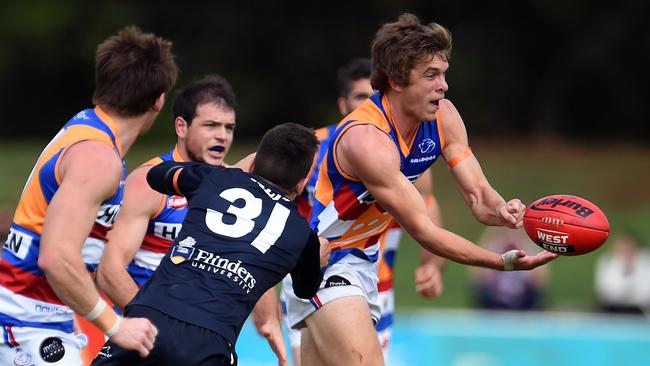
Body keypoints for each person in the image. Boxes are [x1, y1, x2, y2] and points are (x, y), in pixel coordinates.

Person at [285, 13, 557, 366]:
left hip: (362, 263)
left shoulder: (442, 116)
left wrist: (505, 211)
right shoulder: (366, 140)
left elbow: (479, 198)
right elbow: (425, 231)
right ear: (397, 80)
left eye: (443, 74)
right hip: (322, 262)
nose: (443, 86)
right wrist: (500, 263)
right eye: (431, 76)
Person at [0, 26, 177, 365]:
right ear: (159, 99)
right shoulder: (98, 159)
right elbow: (55, 256)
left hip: (42, 318)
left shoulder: (88, 127)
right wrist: (115, 325)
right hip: (26, 322)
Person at [92, 123, 327, 366]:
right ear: (301, 184)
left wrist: (236, 170)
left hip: (149, 316)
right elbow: (305, 290)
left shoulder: (213, 178)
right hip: (209, 341)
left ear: (253, 163)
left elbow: (156, 175)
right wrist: (316, 259)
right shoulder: (302, 235)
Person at [96, 74, 286, 363]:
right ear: (181, 127)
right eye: (210, 125)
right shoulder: (151, 181)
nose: (222, 136)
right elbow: (110, 271)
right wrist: (155, 328)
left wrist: (269, 322)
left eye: (229, 127)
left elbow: (250, 261)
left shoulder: (236, 189)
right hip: (147, 336)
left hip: (200, 338)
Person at [282, 58, 445, 365]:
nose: (369, 103)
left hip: (375, 283)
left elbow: (428, 205)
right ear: (343, 104)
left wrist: (432, 266)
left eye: (373, 96)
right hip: (317, 276)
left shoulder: (409, 148)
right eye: (360, 97)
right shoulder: (311, 148)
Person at [470, 226, 550, 310]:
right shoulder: (494, 248)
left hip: (524, 308)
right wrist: (492, 227)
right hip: (493, 307)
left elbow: (540, 282)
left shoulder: (527, 250)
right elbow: (478, 277)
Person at [594, 231, 650, 315]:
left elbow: (646, 290)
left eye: (628, 247)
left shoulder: (646, 260)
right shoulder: (607, 261)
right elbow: (604, 288)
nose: (626, 250)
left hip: (641, 309)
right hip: (613, 307)